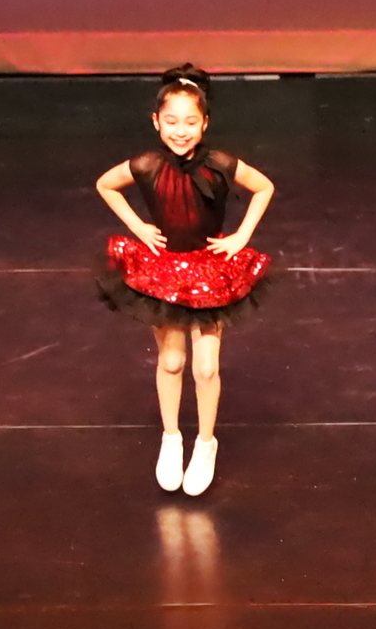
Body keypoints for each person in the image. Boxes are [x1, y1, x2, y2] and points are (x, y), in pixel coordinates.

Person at [94, 64, 276, 495]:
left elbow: (264, 187)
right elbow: (105, 184)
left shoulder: (220, 163)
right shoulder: (147, 164)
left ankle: (206, 443)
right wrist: (138, 227)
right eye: (172, 121)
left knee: (206, 366)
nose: (181, 131)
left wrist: (242, 235)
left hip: (210, 271)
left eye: (190, 122)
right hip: (164, 270)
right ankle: (172, 438)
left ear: (205, 123)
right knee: (172, 361)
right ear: (156, 122)